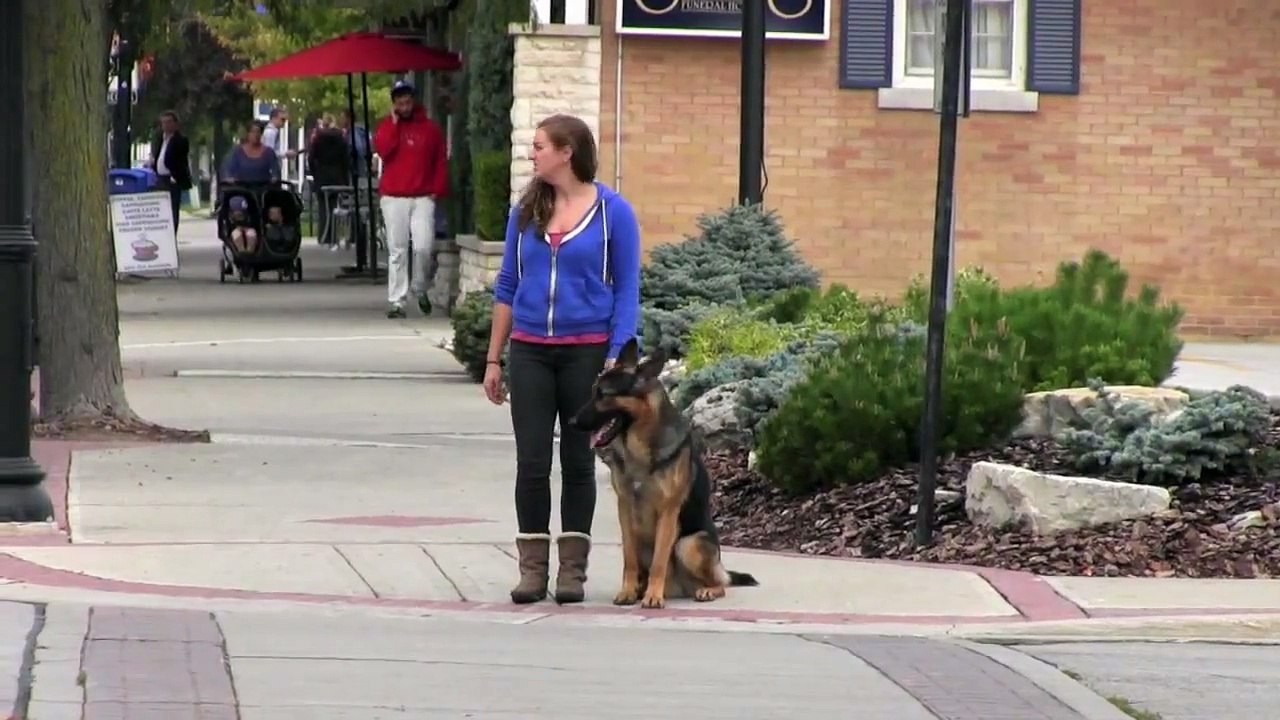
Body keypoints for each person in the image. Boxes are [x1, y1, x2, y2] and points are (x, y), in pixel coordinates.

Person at [482, 113, 642, 605]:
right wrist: (494, 359)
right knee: (531, 461)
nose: (534, 154)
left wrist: (617, 354)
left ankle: (572, 571)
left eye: (539, 146)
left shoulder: (614, 212)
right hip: (530, 350)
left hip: (587, 353)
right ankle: (533, 571)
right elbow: (508, 284)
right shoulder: (525, 211)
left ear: (567, 152)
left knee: (577, 462)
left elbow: (628, 289)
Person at [372, 80, 449, 319]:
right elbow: (384, 150)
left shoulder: (430, 129)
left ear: (413, 101)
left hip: (423, 195)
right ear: (394, 105)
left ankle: (419, 286)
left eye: (407, 102)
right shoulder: (388, 127)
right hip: (394, 196)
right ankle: (397, 300)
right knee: (397, 249)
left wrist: (437, 189)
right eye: (399, 103)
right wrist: (394, 125)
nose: (404, 107)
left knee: (424, 247)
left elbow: (440, 160)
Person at [146, 110, 192, 232]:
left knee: (172, 210)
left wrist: (174, 176)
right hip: (159, 179)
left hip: (172, 180)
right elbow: (157, 155)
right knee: (160, 209)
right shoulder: (159, 139)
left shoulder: (180, 140)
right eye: (163, 123)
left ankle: (172, 235)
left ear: (176, 124)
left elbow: (178, 160)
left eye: (169, 122)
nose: (165, 125)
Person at [222, 121, 280, 186]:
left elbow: (275, 171)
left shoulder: (269, 152)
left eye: (258, 132)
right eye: (252, 132)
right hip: (241, 189)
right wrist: (229, 178)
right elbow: (228, 169)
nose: (255, 135)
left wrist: (274, 178)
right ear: (248, 134)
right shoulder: (237, 152)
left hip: (263, 189)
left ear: (261, 134)